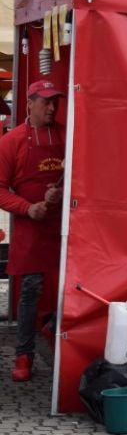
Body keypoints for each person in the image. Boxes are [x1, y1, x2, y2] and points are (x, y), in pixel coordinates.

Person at [0, 81, 66, 382]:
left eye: (55, 102)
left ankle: (61, 340)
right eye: (46, 103)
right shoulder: (11, 141)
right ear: (29, 103)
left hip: (65, 225)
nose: (52, 108)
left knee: (70, 285)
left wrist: (62, 190)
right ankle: (24, 354)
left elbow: (84, 173)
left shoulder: (66, 135)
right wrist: (27, 208)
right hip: (31, 227)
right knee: (31, 289)